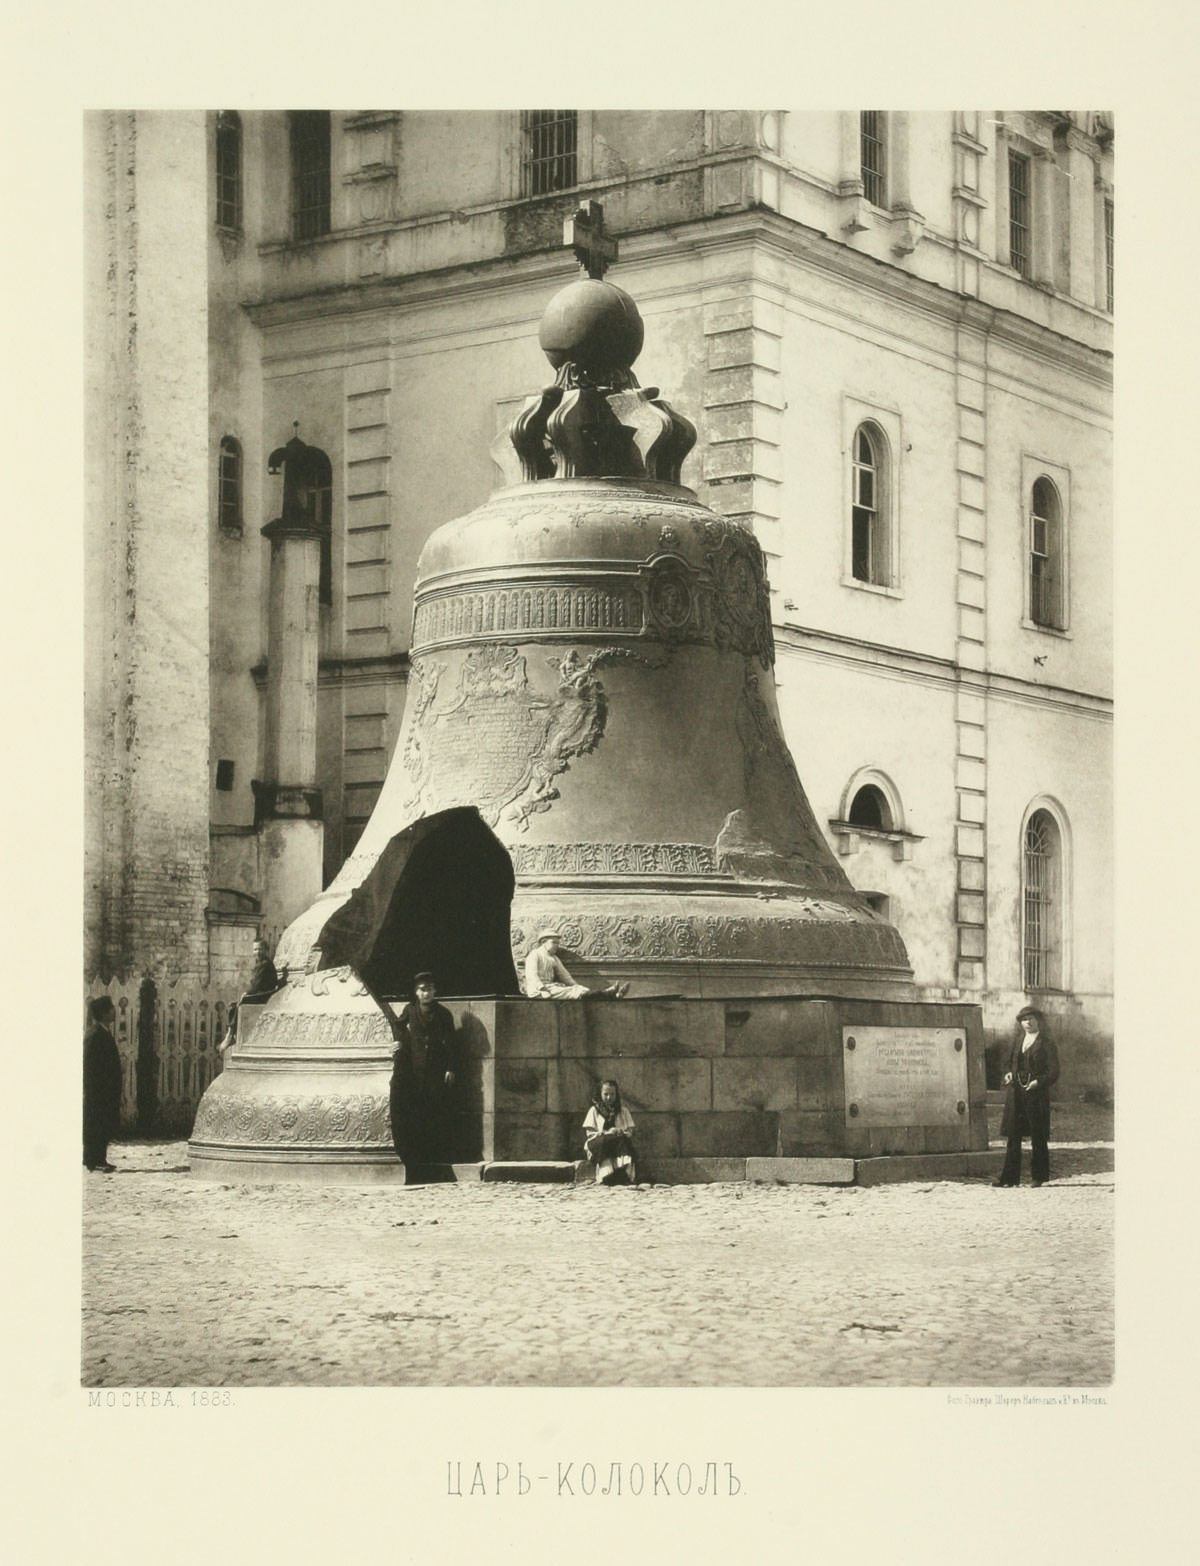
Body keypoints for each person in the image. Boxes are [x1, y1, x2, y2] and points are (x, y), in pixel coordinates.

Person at [389, 972, 460, 1175]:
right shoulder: (410, 1010)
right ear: (416, 992)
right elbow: (398, 1025)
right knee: (417, 1110)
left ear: (435, 991)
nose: (426, 993)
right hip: (415, 1068)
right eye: (422, 989)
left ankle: (435, 1154)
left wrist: (451, 1068)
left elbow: (452, 1043)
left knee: (435, 1109)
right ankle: (417, 1154)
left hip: (436, 1068)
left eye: (429, 989)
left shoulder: (443, 1013)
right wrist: (399, 1042)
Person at [993, 1005, 1061, 1188]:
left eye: (1031, 1019)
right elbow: (1007, 1063)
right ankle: (1009, 1178)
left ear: (1038, 1021)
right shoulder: (1017, 1041)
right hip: (1016, 1093)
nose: (1027, 1023)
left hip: (1036, 1094)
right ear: (1021, 1023)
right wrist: (1008, 1073)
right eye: (1024, 1020)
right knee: (1013, 1137)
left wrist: (1038, 1083)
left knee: (1038, 1136)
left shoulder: (1046, 1043)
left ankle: (1038, 1177)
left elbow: (1054, 1071)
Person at [219, 937, 282, 1055]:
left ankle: (230, 1034)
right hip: (260, 992)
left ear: (266, 950)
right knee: (232, 1005)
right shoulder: (259, 964)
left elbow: (257, 985)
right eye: (255, 949)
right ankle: (231, 1033)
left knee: (240, 1003)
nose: (257, 952)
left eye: (260, 949)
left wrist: (247, 994)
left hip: (265, 995)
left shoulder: (266, 964)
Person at [523, 931, 628, 999]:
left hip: (551, 988)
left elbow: (565, 976)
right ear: (543, 942)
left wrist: (576, 986)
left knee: (580, 990)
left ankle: (612, 996)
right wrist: (542, 989)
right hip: (538, 991)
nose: (556, 945)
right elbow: (532, 976)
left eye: (557, 943)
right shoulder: (534, 955)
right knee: (573, 992)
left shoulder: (554, 958)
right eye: (554, 942)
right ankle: (607, 994)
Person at [83, 996, 123, 1173]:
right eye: (111, 1008)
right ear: (104, 1013)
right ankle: (93, 1160)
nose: (115, 1011)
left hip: (106, 1090)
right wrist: (94, 1090)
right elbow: (90, 1066)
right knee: (96, 1124)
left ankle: (98, 1158)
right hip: (98, 1090)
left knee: (103, 1123)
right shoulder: (95, 1035)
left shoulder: (103, 1032)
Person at [582, 1078, 639, 1186]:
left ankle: (623, 1173)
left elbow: (630, 1132)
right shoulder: (594, 1111)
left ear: (616, 1094)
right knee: (605, 1141)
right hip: (599, 1141)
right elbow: (590, 1134)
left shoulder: (623, 1111)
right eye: (606, 1094)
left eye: (612, 1094)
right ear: (600, 1094)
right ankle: (606, 1174)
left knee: (624, 1142)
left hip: (618, 1141)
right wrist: (606, 1132)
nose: (609, 1097)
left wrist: (620, 1131)